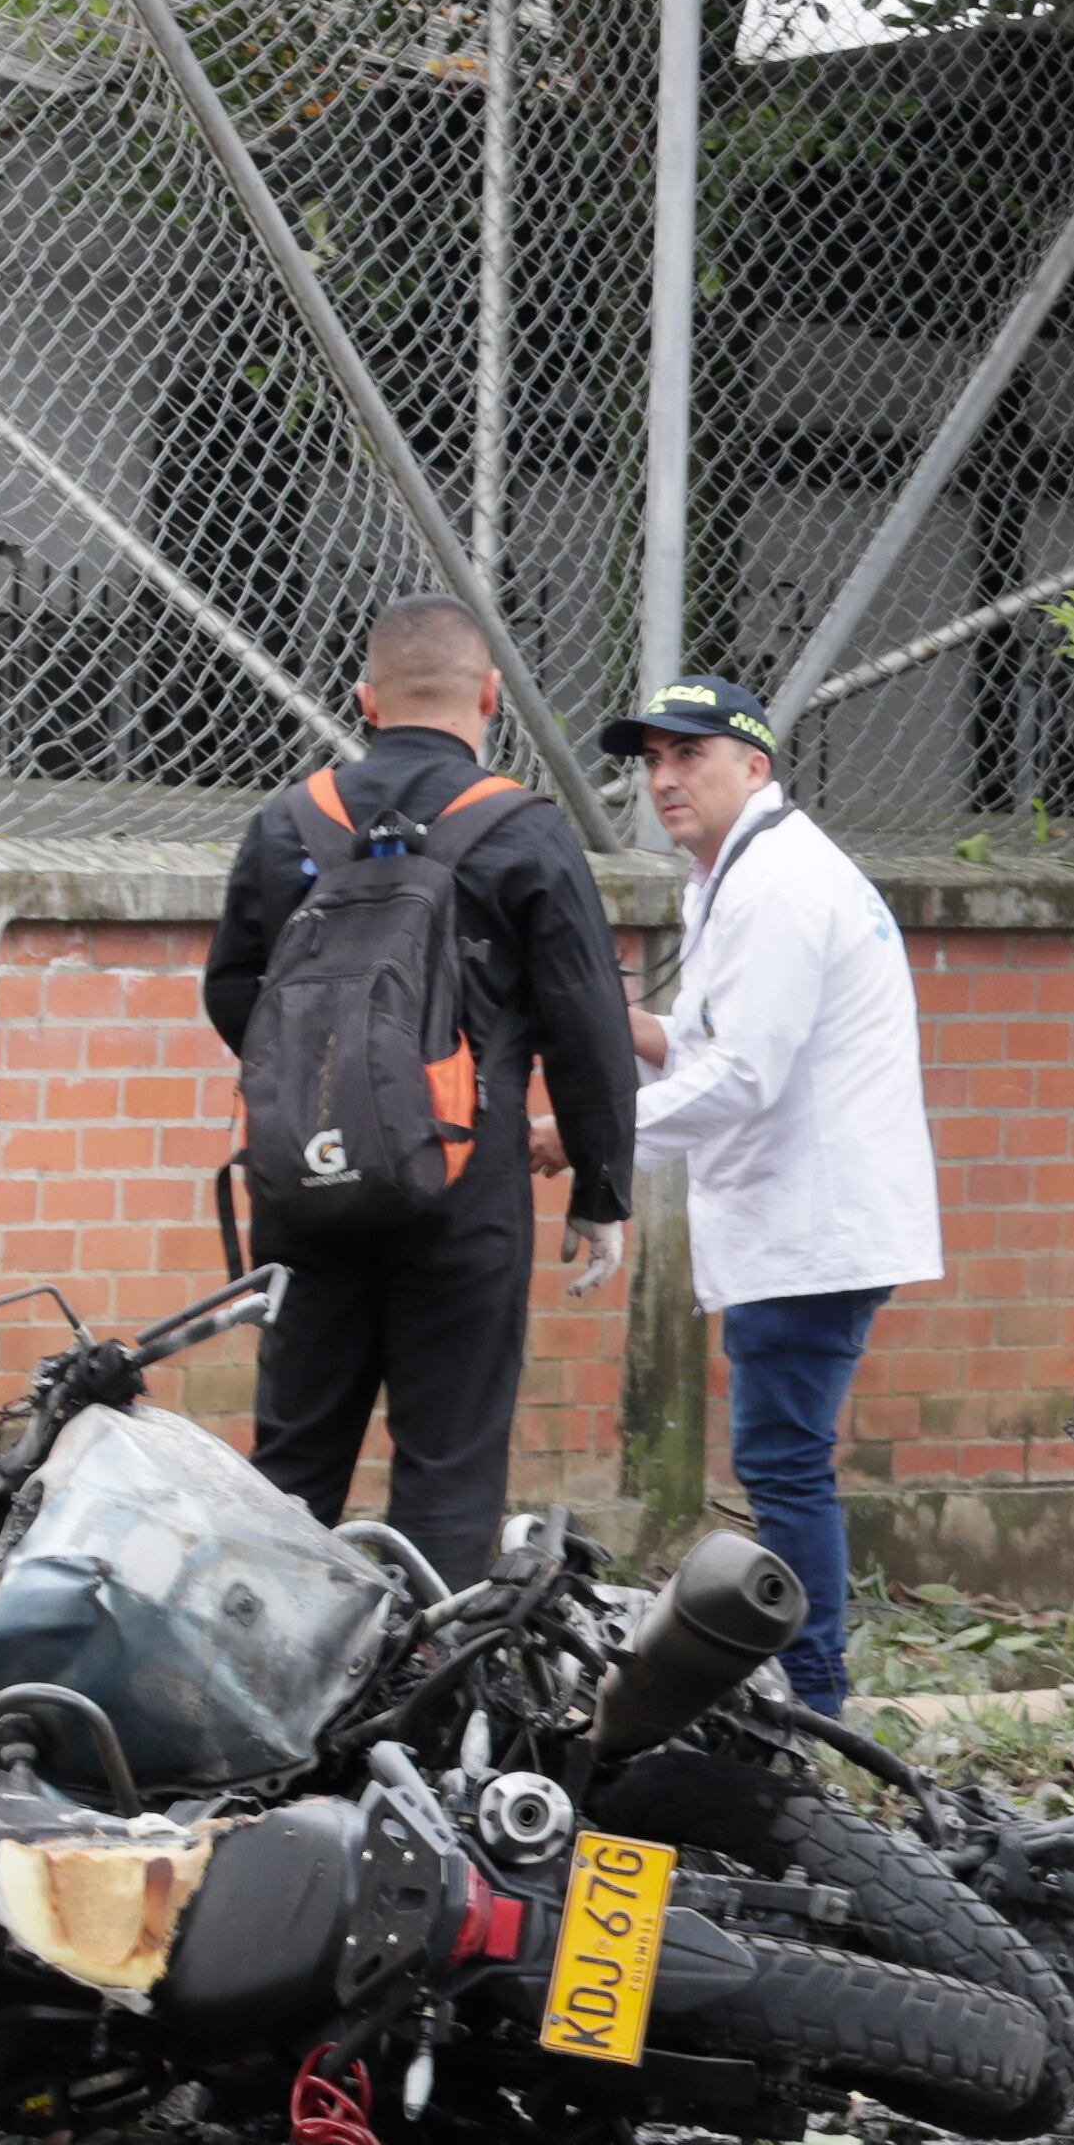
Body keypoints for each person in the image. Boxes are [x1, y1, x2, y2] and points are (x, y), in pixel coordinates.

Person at [201, 599, 638, 1591]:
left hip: (309, 1181)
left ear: (364, 702)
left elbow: (233, 992)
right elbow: (589, 1026)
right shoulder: (524, 831)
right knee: (449, 1463)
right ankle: (427, 1723)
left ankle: (263, 1700)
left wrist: (328, 1096)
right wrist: (600, 1193)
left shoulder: (287, 825)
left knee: (295, 1462)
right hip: (464, 1185)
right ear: (490, 697)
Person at [585, 673, 944, 1718]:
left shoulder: (779, 884)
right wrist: (601, 1023)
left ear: (756, 765)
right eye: (650, 760)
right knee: (782, 1463)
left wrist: (591, 1136)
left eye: (688, 755)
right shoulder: (737, 878)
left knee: (785, 1469)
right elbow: (705, 1046)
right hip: (801, 1222)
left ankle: (818, 1706)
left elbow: (745, 1079)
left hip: (812, 1225)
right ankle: (806, 1692)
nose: (663, 778)